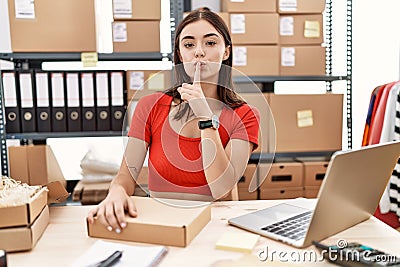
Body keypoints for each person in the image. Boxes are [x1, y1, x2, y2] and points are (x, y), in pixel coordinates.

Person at [87, 7, 260, 233]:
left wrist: (206, 118)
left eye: (210, 43)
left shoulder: (245, 115)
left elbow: (221, 190)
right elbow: (125, 177)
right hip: (163, 222)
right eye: (189, 45)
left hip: (215, 226)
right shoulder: (150, 106)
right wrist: (116, 193)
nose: (199, 52)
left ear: (226, 52)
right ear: (179, 54)